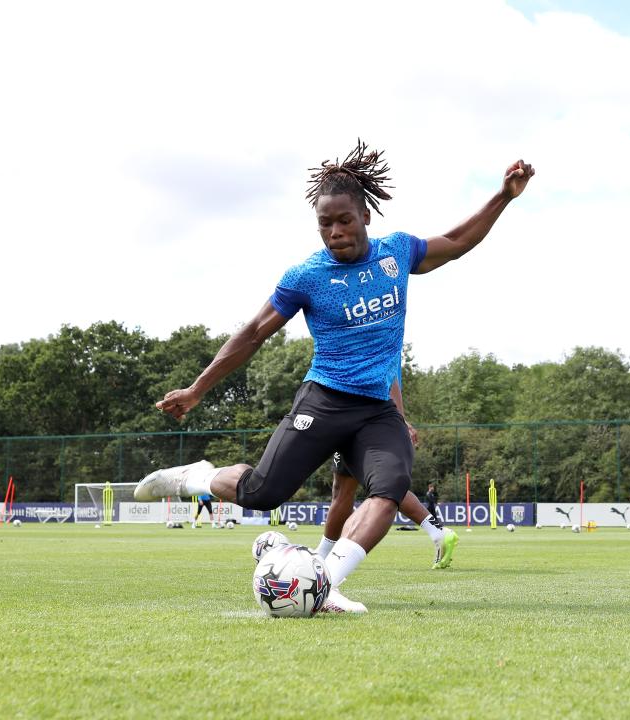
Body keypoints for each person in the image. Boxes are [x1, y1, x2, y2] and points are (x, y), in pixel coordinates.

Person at [135, 140, 535, 613]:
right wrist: (197, 388)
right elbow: (253, 333)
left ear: (365, 215)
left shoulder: (397, 254)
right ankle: (197, 477)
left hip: (375, 412)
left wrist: (504, 196)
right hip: (323, 400)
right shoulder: (306, 276)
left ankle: (323, 584)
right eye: (325, 223)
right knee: (264, 494)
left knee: (388, 490)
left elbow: (459, 241)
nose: (335, 231)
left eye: (344, 219)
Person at [315, 378, 457, 570]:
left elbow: (389, 377)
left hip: (362, 421)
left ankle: (321, 557)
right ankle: (437, 531)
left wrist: (400, 420)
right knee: (372, 487)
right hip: (367, 420)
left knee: (349, 491)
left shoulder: (370, 352)